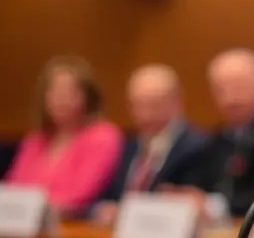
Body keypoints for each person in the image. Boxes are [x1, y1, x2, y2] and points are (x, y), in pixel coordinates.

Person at [4, 55, 122, 218]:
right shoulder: (35, 139)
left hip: (74, 230)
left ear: (88, 97)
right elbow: (12, 190)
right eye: (55, 92)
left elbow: (79, 198)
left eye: (70, 93)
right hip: (21, 226)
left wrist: (30, 208)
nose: (61, 100)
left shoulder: (102, 136)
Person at [93, 64, 209, 224]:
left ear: (176, 101)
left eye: (154, 105)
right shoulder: (126, 144)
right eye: (138, 106)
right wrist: (105, 210)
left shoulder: (198, 147)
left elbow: (192, 203)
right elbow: (102, 197)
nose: (146, 115)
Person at [186, 49, 254, 216]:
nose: (230, 99)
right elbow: (205, 185)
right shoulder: (219, 137)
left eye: (239, 87)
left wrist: (215, 206)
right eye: (221, 90)